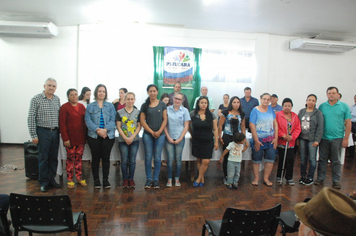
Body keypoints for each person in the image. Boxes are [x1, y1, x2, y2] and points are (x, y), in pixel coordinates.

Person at [28, 78, 61, 192]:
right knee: (43, 158)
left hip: (55, 132)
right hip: (43, 132)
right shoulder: (36, 99)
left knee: (53, 158)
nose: (51, 87)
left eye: (53, 86)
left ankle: (51, 179)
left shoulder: (57, 99)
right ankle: (43, 182)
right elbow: (31, 117)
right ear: (44, 86)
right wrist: (33, 135)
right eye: (49, 85)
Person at [315, 86, 351, 189]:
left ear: (337, 94)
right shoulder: (322, 106)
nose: (331, 94)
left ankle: (336, 180)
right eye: (329, 93)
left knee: (336, 160)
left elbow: (348, 123)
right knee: (322, 159)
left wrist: (346, 138)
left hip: (337, 138)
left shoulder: (344, 106)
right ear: (327, 95)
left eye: (333, 93)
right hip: (324, 138)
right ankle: (320, 178)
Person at [85, 84, 116, 189]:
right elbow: (88, 120)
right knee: (95, 159)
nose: (101, 93)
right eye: (99, 91)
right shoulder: (90, 106)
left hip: (108, 135)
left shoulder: (110, 106)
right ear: (96, 93)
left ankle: (105, 180)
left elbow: (113, 120)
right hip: (94, 136)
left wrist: (105, 130)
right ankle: (96, 180)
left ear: (105, 93)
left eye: (103, 91)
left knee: (106, 159)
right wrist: (98, 130)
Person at [140, 84, 167, 189]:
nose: (152, 93)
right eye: (150, 91)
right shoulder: (144, 105)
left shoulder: (162, 104)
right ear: (148, 92)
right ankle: (148, 179)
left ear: (157, 92)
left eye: (154, 91)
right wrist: (152, 132)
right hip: (148, 135)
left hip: (160, 135)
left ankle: (155, 179)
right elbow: (142, 121)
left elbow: (165, 119)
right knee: (148, 157)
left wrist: (159, 131)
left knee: (157, 157)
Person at [59, 89, 87, 189]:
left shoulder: (82, 106)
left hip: (81, 138)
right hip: (69, 139)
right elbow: (62, 124)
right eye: (71, 95)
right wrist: (65, 138)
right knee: (70, 159)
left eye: (75, 94)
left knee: (79, 159)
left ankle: (79, 178)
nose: (74, 96)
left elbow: (85, 122)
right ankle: (70, 179)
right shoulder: (64, 107)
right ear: (68, 96)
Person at [249, 93, 278, 187]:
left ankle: (266, 179)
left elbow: (275, 124)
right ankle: (256, 178)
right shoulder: (255, 110)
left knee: (270, 160)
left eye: (268, 99)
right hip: (259, 140)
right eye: (264, 99)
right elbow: (252, 126)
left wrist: (276, 138)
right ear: (260, 99)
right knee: (256, 160)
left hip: (271, 140)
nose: (266, 101)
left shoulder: (270, 109)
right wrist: (256, 140)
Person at [190, 96, 219, 187]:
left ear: (207, 104)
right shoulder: (193, 114)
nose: (203, 104)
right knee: (199, 160)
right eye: (202, 102)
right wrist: (192, 134)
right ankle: (201, 178)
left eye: (205, 103)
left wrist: (216, 141)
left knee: (206, 161)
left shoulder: (211, 115)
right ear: (198, 104)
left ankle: (198, 178)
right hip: (197, 140)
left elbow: (215, 129)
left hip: (208, 141)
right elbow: (188, 126)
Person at [164, 92, 190, 187]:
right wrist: (168, 137)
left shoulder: (185, 111)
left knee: (178, 159)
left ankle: (177, 179)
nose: (177, 100)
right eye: (176, 98)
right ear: (173, 99)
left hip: (180, 138)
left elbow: (186, 126)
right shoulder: (167, 110)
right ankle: (169, 179)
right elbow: (164, 125)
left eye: (179, 99)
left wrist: (180, 138)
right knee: (170, 160)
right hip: (169, 138)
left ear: (182, 100)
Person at [218, 96, 246, 184]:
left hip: (237, 138)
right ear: (231, 103)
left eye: (238, 102)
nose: (236, 104)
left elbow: (243, 126)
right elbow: (220, 125)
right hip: (227, 136)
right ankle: (226, 176)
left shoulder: (242, 113)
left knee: (236, 156)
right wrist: (220, 137)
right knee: (227, 157)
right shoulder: (226, 112)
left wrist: (244, 138)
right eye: (234, 102)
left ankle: (235, 177)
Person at [116, 92, 141, 189]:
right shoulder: (119, 112)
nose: (130, 101)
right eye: (128, 99)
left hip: (134, 140)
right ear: (125, 100)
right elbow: (118, 126)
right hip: (123, 140)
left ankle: (131, 178)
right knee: (124, 160)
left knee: (132, 161)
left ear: (134, 100)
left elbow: (139, 126)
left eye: (132, 99)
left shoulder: (138, 112)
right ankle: (125, 179)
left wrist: (132, 137)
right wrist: (126, 138)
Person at [298, 94, 324, 185]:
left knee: (312, 159)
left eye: (313, 100)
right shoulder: (301, 111)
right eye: (309, 100)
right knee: (303, 158)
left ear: (315, 102)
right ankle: (303, 176)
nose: (311, 102)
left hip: (312, 139)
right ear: (306, 101)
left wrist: (317, 140)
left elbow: (320, 127)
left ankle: (310, 177)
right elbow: (297, 125)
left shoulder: (318, 113)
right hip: (302, 138)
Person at [275, 98, 301, 186]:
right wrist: (283, 135)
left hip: (291, 142)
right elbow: (276, 127)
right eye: (285, 106)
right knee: (282, 159)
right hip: (281, 141)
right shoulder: (278, 115)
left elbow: (298, 128)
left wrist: (292, 137)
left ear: (292, 107)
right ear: (282, 106)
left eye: (289, 106)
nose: (287, 107)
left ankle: (289, 177)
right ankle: (279, 176)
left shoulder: (294, 116)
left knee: (290, 159)